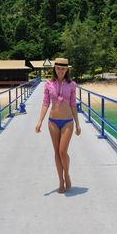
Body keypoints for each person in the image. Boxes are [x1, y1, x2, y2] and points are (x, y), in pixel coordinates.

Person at [35, 58, 81, 193]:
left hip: (67, 121)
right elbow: (45, 103)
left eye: (63, 69)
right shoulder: (48, 84)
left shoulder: (72, 85)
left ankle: (67, 174)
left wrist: (78, 124)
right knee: (56, 152)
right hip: (52, 122)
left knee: (62, 151)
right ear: (54, 69)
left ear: (67, 70)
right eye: (58, 68)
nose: (60, 71)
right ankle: (60, 180)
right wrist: (39, 121)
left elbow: (73, 104)